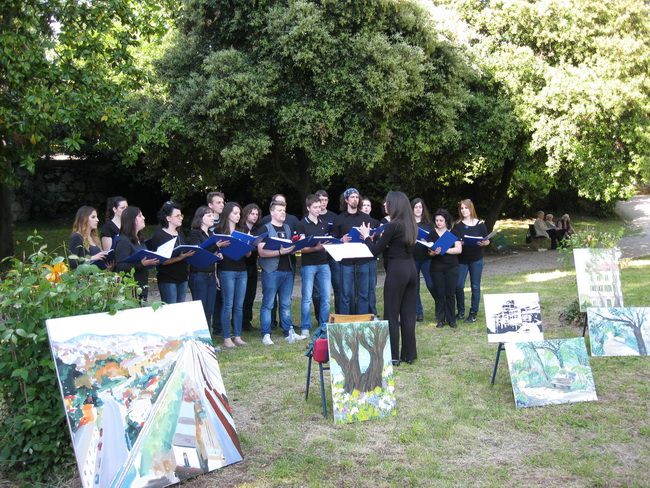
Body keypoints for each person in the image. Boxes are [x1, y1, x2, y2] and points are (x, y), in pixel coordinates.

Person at [359, 191, 417, 365]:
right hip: (411, 269)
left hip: (397, 270)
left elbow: (374, 251)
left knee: (391, 313)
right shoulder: (411, 224)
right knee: (408, 314)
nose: (385, 205)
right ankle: (409, 354)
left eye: (387, 202)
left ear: (395, 205)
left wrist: (366, 237)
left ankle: (393, 356)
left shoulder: (393, 225)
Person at [256, 200, 305, 345]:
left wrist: (295, 247)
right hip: (271, 271)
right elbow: (261, 252)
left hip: (287, 270)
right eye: (279, 210)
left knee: (285, 303)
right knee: (268, 303)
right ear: (272, 212)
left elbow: (289, 248)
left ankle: (288, 331)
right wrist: (280, 252)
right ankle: (266, 334)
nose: (283, 213)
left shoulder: (288, 228)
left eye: (284, 210)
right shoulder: (265, 228)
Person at [333, 188, 374, 314]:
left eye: (357, 197)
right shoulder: (339, 218)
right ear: (346, 200)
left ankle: (362, 319)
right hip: (346, 261)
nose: (355, 199)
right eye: (352, 197)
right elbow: (333, 240)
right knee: (346, 294)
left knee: (363, 294)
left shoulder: (365, 218)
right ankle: (345, 321)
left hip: (363, 260)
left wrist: (369, 237)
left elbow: (372, 237)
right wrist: (341, 240)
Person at [297, 194, 332, 337]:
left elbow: (326, 242)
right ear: (308, 208)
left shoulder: (324, 223)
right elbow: (300, 248)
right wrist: (316, 248)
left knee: (326, 297)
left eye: (319, 207)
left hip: (324, 263)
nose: (318, 209)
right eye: (315, 207)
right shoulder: (302, 224)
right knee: (307, 297)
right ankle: (305, 326)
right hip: (308, 264)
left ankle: (324, 325)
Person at [216, 202, 249, 348]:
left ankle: (238, 335)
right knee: (228, 304)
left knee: (239, 305)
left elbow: (248, 254)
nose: (238, 216)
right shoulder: (219, 230)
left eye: (239, 213)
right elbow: (214, 251)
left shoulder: (243, 230)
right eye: (235, 213)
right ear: (227, 213)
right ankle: (226, 337)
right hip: (226, 269)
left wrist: (247, 247)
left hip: (242, 269)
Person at [149, 201, 195, 304]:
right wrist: (180, 257)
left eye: (181, 215)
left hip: (182, 276)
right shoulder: (159, 235)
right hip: (168, 278)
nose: (181, 218)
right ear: (168, 218)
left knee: (180, 307)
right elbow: (161, 261)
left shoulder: (180, 232)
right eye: (177, 216)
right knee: (170, 308)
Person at [453, 199, 490, 323]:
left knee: (475, 286)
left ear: (471, 208)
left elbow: (487, 240)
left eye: (466, 208)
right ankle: (461, 311)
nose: (464, 210)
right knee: (458, 285)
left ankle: (473, 313)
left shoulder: (480, 224)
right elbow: (453, 240)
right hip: (462, 259)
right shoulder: (457, 225)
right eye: (462, 208)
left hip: (476, 259)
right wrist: (458, 242)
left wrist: (485, 242)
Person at [187, 206, 223, 329]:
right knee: (200, 309)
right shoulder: (194, 233)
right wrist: (215, 247)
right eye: (209, 215)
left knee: (209, 309)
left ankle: (207, 337)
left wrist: (217, 255)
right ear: (200, 218)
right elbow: (198, 252)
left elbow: (211, 253)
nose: (212, 217)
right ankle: (200, 337)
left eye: (212, 215)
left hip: (211, 274)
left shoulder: (212, 234)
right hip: (199, 274)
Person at [114, 206, 159, 302]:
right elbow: (120, 266)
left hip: (142, 285)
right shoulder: (123, 241)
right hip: (131, 289)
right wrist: (141, 264)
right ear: (132, 220)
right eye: (140, 216)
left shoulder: (139, 239)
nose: (144, 218)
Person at [427, 209, 462, 328]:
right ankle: (440, 319)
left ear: (446, 221)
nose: (438, 222)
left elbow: (458, 249)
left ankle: (451, 319)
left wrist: (444, 249)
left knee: (450, 293)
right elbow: (429, 252)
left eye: (441, 220)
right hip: (436, 267)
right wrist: (434, 252)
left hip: (452, 266)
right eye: (437, 220)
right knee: (440, 293)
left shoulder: (453, 232)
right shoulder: (432, 233)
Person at [411, 197, 436, 322]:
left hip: (427, 258)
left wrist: (429, 242)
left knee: (431, 284)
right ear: (412, 209)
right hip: (412, 258)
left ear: (423, 209)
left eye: (420, 207)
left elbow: (434, 239)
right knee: (414, 286)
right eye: (416, 207)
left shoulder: (428, 224)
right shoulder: (408, 224)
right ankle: (418, 312)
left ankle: (440, 306)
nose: (418, 209)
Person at [207, 191, 225, 334]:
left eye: (222, 202)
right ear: (210, 205)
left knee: (222, 296)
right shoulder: (206, 221)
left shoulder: (225, 220)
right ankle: (213, 326)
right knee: (212, 297)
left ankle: (219, 326)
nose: (222, 205)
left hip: (225, 262)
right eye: (218, 202)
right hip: (211, 263)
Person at [241, 203, 262, 331]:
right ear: (246, 214)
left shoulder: (257, 230)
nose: (255, 216)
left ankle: (247, 321)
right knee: (241, 296)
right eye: (252, 213)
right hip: (241, 265)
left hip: (252, 265)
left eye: (256, 214)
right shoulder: (240, 229)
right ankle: (239, 322)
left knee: (250, 294)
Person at [360, 197, 380, 316]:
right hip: (360, 258)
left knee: (372, 287)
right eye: (364, 205)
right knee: (362, 288)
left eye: (368, 205)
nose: (366, 207)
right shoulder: (357, 220)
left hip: (372, 257)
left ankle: (372, 312)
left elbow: (378, 241)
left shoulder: (376, 222)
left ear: (371, 208)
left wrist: (372, 238)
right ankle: (362, 313)